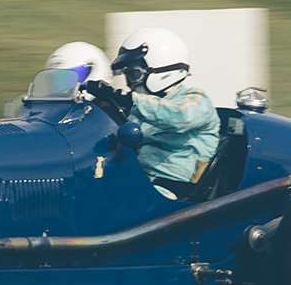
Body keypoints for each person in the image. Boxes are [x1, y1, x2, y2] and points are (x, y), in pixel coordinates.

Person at [84, 26, 220, 189]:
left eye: (134, 74)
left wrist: (129, 99)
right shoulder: (144, 107)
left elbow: (181, 117)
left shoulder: (197, 101)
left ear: (162, 71)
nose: (129, 83)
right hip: (136, 180)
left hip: (171, 189)